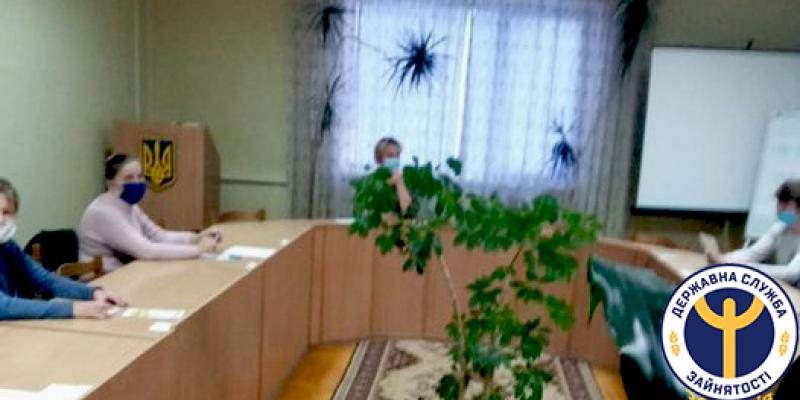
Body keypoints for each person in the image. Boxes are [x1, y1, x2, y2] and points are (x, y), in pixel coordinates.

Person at [0, 178, 124, 319]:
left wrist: (94, 293)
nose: (1, 219)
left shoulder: (8, 247)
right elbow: (3, 306)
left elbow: (47, 281)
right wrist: (73, 309)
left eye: (6, 212)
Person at [77, 154, 219, 271]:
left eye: (140, 176)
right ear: (110, 182)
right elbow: (146, 250)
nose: (136, 182)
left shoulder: (129, 205)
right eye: (128, 178)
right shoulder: (103, 212)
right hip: (103, 283)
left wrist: (195, 238)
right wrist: (198, 250)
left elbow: (159, 236)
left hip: (129, 273)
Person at [707, 179, 800, 285]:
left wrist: (745, 268)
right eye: (779, 202)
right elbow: (752, 254)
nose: (779, 208)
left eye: (785, 204)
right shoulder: (780, 227)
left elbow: (791, 273)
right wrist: (725, 259)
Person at [374, 137, 412, 212]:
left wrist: (399, 183)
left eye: (397, 156)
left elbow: (407, 208)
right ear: (379, 159)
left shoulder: (402, 178)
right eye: (390, 156)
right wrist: (388, 183)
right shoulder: (373, 180)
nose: (395, 159)